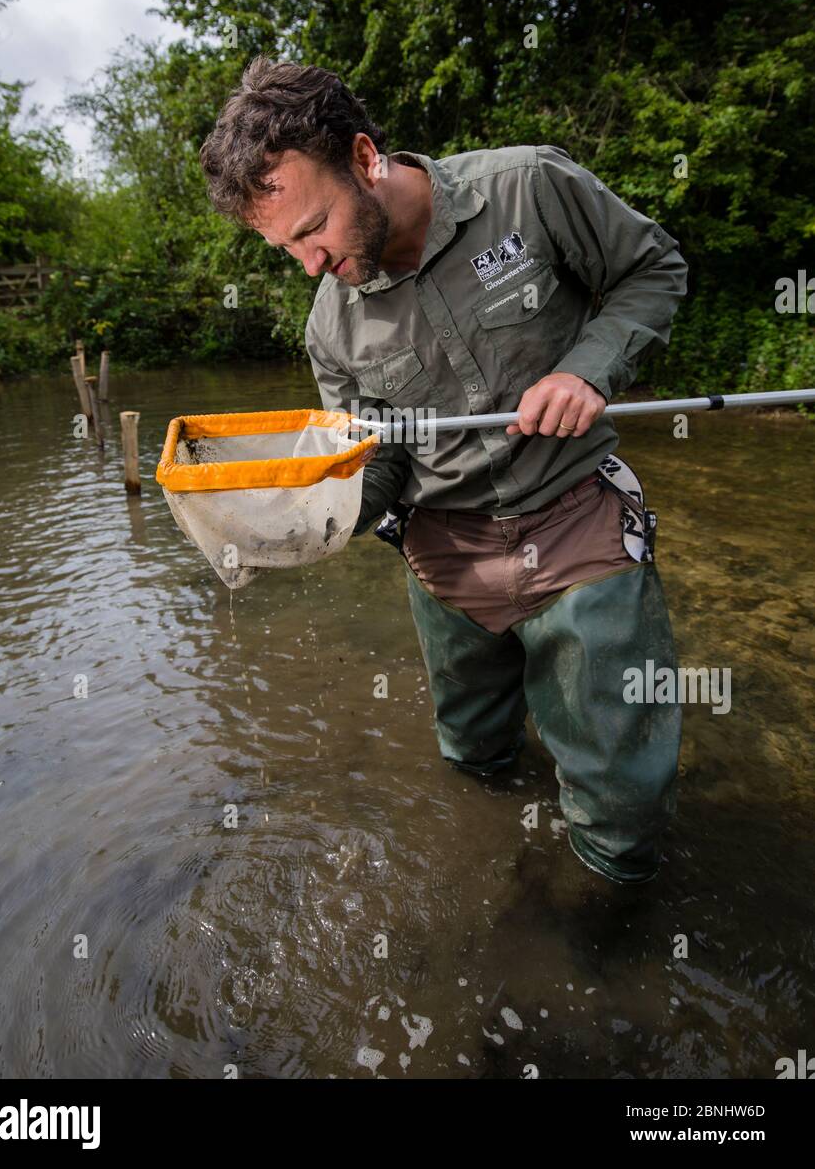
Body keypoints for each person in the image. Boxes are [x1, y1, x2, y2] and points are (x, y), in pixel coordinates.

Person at [199, 56, 688, 885]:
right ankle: (500, 883)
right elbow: (380, 465)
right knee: (473, 764)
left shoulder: (529, 188)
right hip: (445, 561)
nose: (310, 263)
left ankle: (609, 930)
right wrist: (313, 508)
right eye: (286, 249)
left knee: (623, 809)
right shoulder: (330, 331)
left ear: (363, 158)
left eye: (313, 229)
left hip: (578, 526)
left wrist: (587, 370)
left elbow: (652, 271)